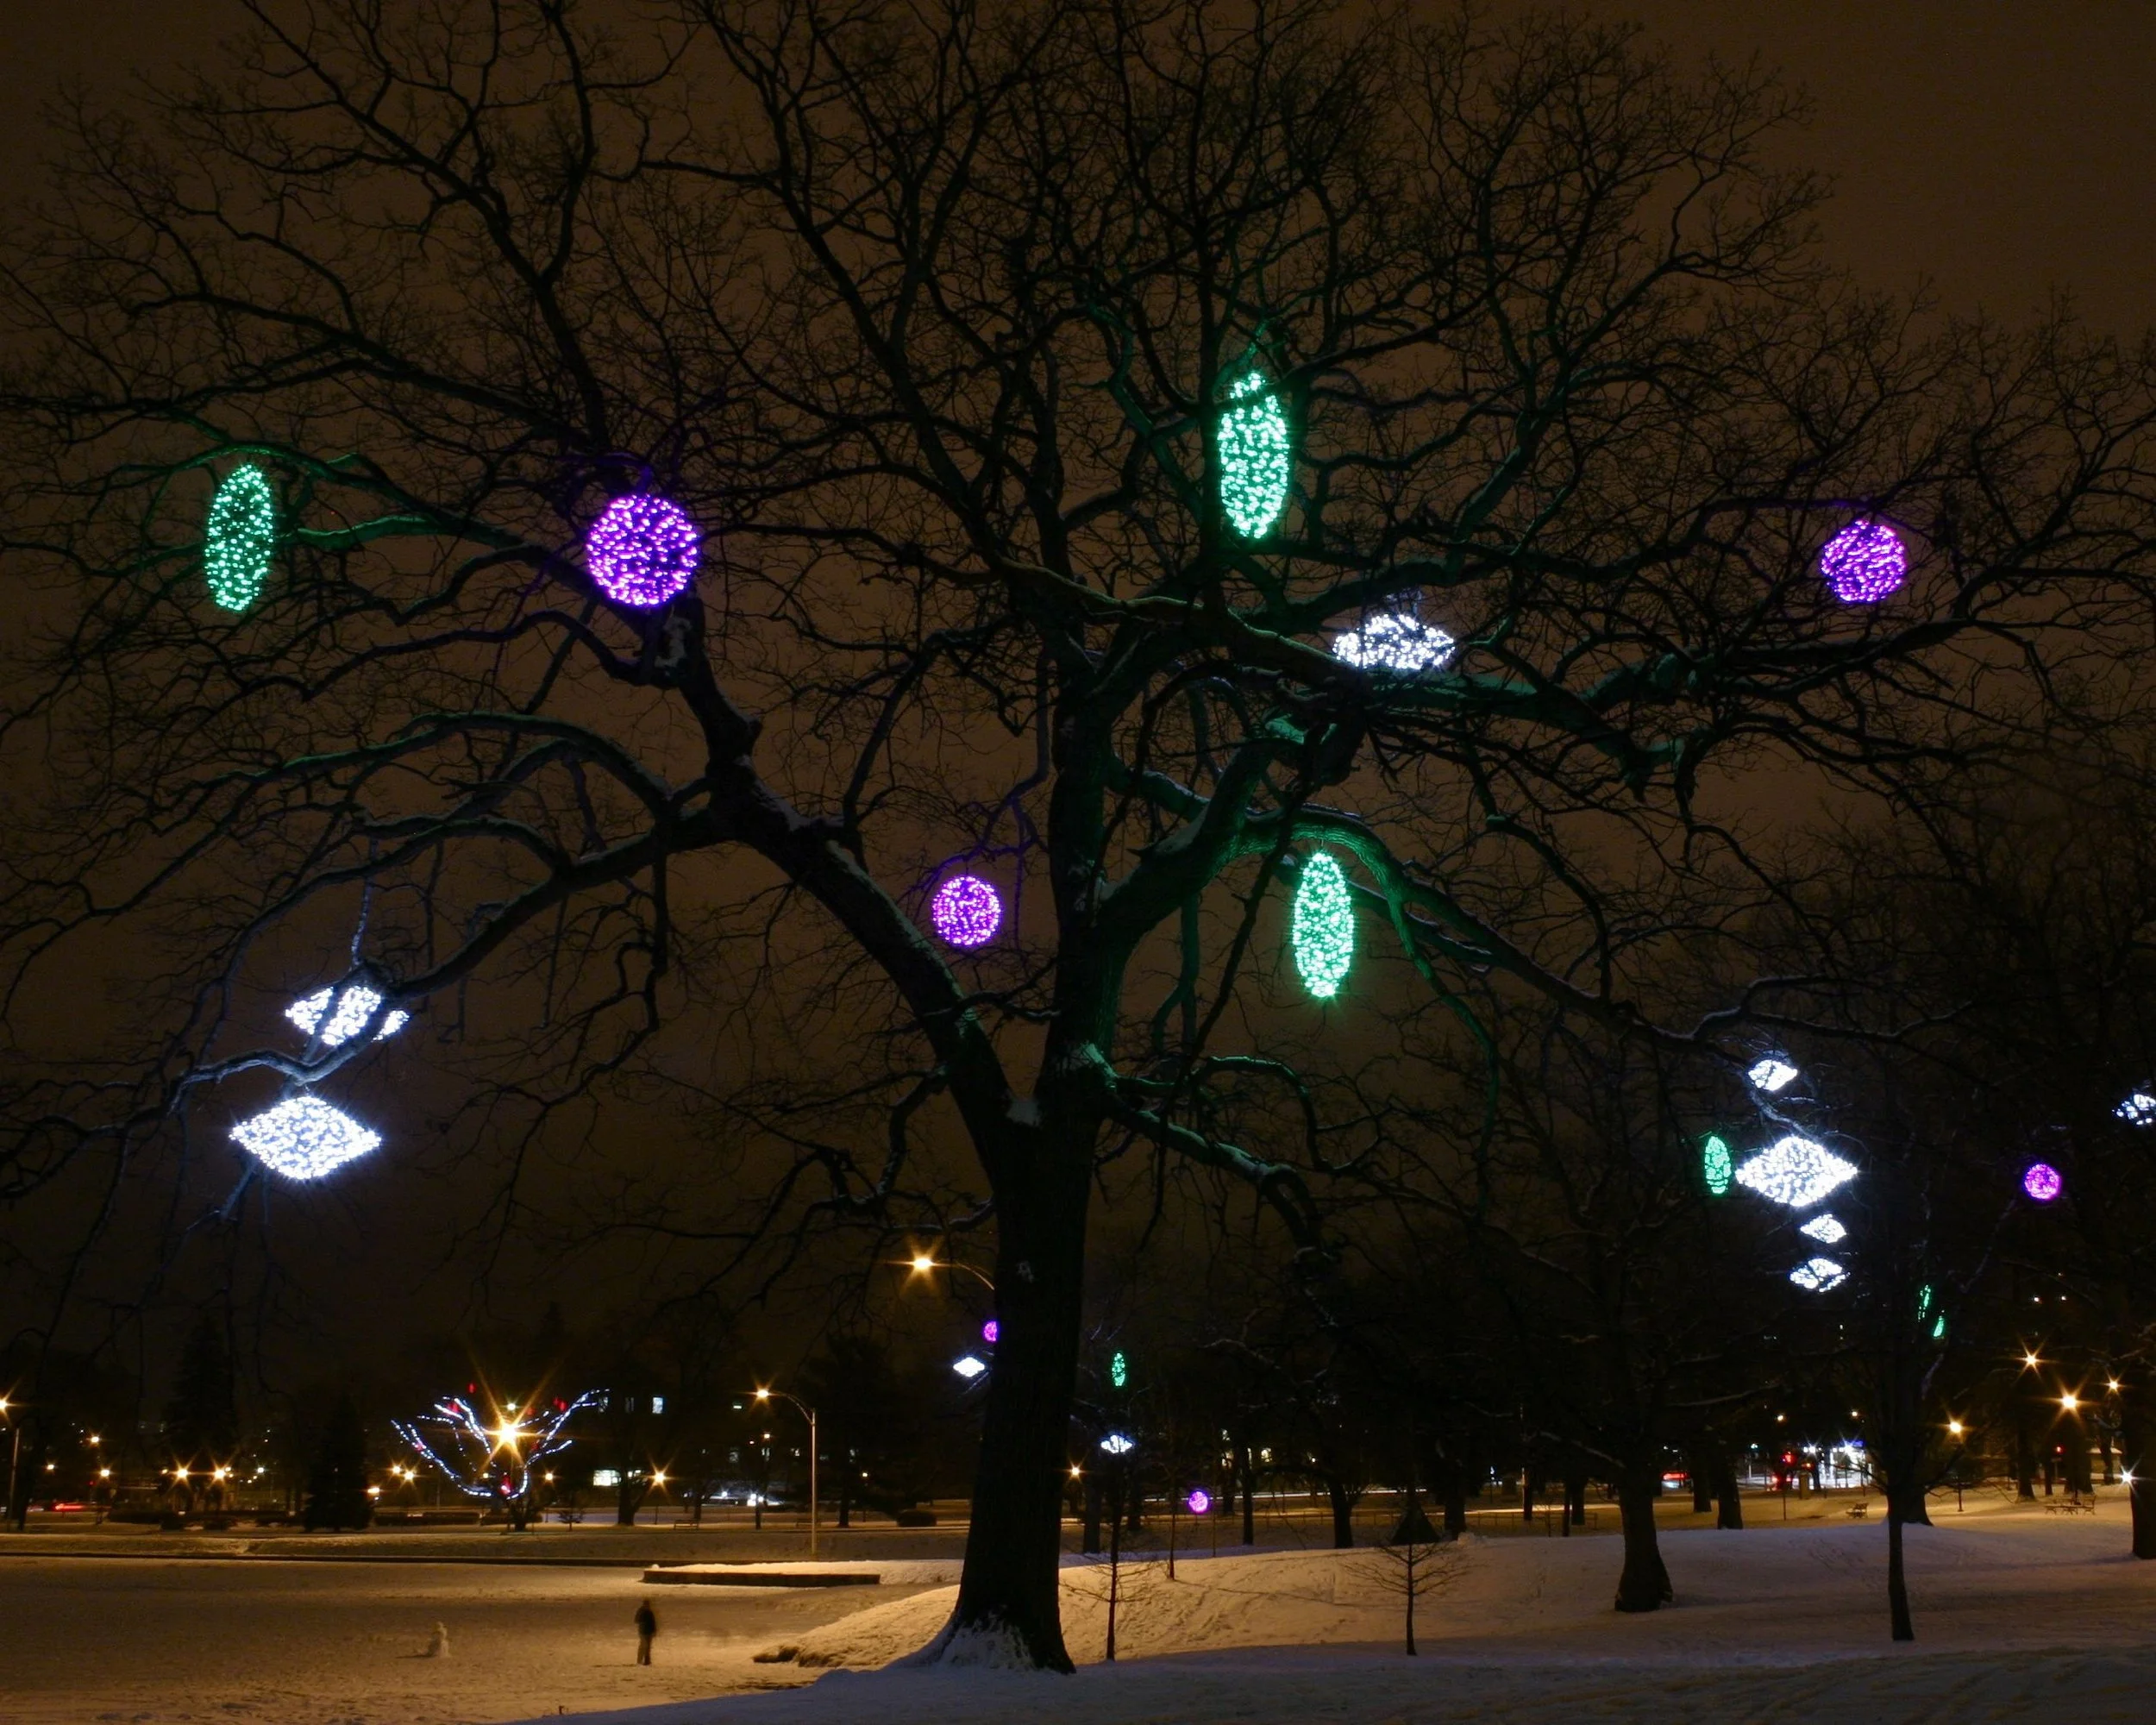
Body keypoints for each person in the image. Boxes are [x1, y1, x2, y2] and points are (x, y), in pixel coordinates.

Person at [634, 1597, 657, 1665]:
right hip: (643, 1632)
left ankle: (647, 1661)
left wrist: (654, 1630)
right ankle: (640, 1660)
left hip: (648, 1632)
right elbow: (637, 1620)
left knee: (647, 1647)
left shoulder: (649, 1611)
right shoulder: (642, 1611)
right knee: (644, 1646)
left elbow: (653, 1622)